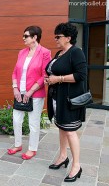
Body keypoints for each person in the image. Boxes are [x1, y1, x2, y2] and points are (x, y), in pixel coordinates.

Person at [45, 22, 87, 182]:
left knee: (70, 131)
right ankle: (63, 156)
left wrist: (59, 79)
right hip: (57, 98)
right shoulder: (60, 53)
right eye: (55, 36)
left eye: (58, 36)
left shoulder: (76, 52)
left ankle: (76, 165)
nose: (55, 39)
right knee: (62, 128)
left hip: (69, 100)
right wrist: (50, 79)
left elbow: (81, 75)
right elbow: (53, 72)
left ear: (68, 38)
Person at [8, 26, 51, 159]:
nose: (23, 38)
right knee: (16, 119)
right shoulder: (22, 52)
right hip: (19, 92)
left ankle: (32, 148)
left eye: (26, 36)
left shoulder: (45, 52)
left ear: (35, 37)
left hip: (35, 94)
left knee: (33, 122)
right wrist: (15, 88)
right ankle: (18, 144)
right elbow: (15, 72)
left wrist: (30, 91)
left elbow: (45, 75)